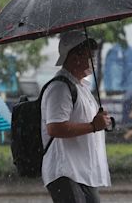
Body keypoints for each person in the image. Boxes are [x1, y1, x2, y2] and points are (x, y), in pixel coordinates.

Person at [41, 31, 112, 203]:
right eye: (90, 55)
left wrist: (101, 121)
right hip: (65, 172)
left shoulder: (81, 87)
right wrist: (93, 126)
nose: (93, 59)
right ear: (75, 57)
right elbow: (55, 128)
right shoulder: (60, 88)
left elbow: (87, 121)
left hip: (83, 172)